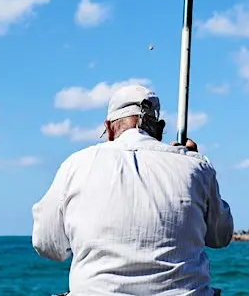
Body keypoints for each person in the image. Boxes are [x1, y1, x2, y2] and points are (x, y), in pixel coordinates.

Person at [32, 84, 234, 296]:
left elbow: (47, 244)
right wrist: (193, 162)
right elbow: (220, 236)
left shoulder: (75, 165)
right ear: (160, 127)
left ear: (109, 128)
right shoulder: (195, 166)